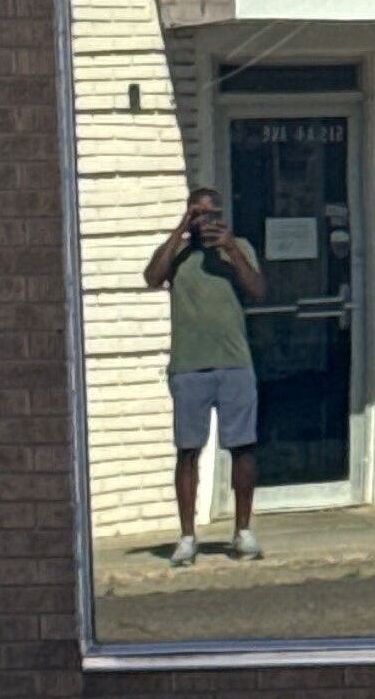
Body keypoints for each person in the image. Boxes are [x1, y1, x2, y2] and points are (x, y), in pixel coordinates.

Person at [144, 186, 266, 566]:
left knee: (243, 447)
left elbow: (259, 291)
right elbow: (152, 277)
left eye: (210, 213)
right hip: (188, 366)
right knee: (188, 452)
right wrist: (180, 228)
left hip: (234, 364)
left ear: (222, 215)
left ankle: (243, 531)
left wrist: (228, 248)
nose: (204, 220)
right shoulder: (177, 254)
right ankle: (187, 536)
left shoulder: (238, 247)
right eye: (198, 213)